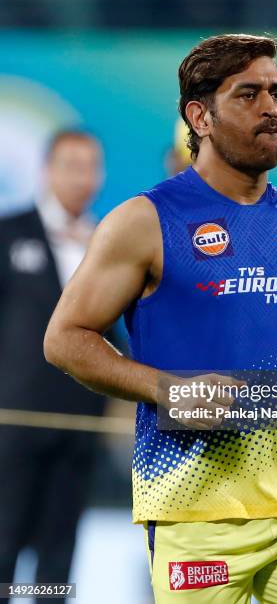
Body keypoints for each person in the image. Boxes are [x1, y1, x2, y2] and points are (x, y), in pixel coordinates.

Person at [44, 35, 277, 603]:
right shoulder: (144, 221)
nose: (271, 108)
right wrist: (167, 390)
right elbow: (64, 339)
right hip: (193, 515)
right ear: (200, 115)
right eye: (248, 94)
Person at [0, 129, 106, 601]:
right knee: (2, 546)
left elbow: (115, 339)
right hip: (12, 423)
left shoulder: (107, 245)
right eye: (72, 166)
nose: (84, 178)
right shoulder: (9, 233)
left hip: (79, 425)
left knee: (58, 558)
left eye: (92, 167)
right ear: (46, 171)